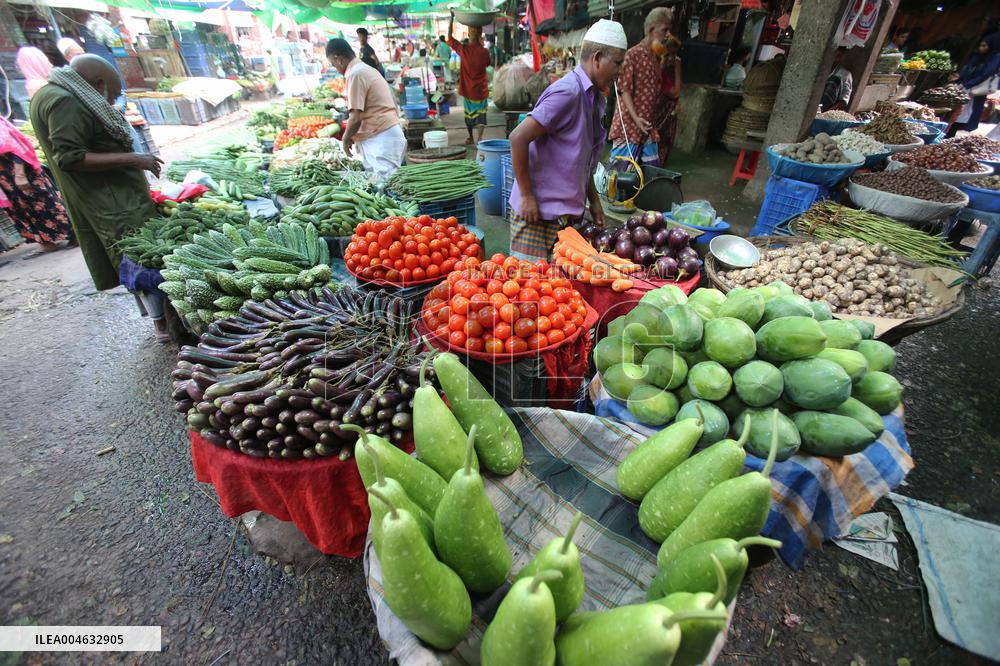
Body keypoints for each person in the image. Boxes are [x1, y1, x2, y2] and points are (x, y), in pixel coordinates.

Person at [29, 55, 165, 338]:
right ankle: (161, 322)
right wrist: (133, 158)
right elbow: (71, 157)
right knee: (140, 255)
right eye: (112, 95)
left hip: (104, 195)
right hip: (110, 200)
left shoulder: (51, 91)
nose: (113, 102)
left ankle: (158, 316)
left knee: (134, 256)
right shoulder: (65, 100)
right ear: (98, 84)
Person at [508, 19, 626, 261]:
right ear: (597, 58)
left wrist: (594, 201)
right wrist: (527, 195)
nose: (620, 71)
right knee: (527, 289)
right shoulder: (568, 93)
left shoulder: (594, 100)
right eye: (617, 63)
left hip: (563, 218)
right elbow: (518, 137)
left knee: (554, 293)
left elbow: (583, 160)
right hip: (537, 215)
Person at [325, 38, 405, 180]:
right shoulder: (364, 69)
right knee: (381, 185)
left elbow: (356, 117)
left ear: (338, 59)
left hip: (381, 137)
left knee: (386, 187)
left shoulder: (355, 74)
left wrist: (346, 139)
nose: (336, 69)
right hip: (383, 134)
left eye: (333, 64)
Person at [608, 6, 673, 167]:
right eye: (664, 30)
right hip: (629, 127)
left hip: (648, 126)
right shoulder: (633, 55)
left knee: (650, 175)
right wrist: (636, 119)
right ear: (651, 30)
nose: (668, 35)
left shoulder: (657, 58)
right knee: (620, 178)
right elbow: (624, 90)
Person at [0, 117, 73, 251]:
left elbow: (17, 147)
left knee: (45, 204)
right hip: (5, 181)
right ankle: (46, 243)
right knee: (20, 210)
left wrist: (20, 174)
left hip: (19, 172)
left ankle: (76, 236)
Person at [448, 18, 491, 146]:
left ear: (469, 35)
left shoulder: (463, 50)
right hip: (481, 90)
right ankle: (480, 138)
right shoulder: (484, 52)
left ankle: (471, 137)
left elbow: (449, 38)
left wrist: (451, 19)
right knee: (482, 115)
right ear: (480, 36)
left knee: (469, 115)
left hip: (468, 90)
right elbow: (488, 64)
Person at [947, 35, 1000, 136]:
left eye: (984, 46)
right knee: (959, 112)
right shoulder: (978, 56)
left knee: (964, 112)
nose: (981, 48)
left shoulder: (995, 57)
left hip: (975, 89)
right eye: (981, 45)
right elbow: (968, 68)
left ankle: (952, 132)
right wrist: (960, 78)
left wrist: (969, 84)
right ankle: (950, 131)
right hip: (967, 86)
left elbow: (986, 73)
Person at [656, 36, 682, 165]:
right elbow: (675, 92)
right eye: (667, 55)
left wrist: (677, 102)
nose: (671, 59)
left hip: (667, 111)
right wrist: (678, 69)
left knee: (664, 141)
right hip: (657, 113)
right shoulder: (658, 71)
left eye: (674, 55)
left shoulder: (667, 71)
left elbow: (676, 95)